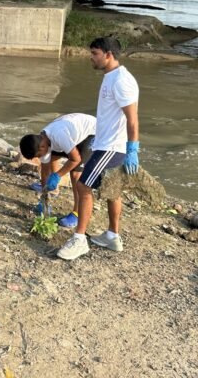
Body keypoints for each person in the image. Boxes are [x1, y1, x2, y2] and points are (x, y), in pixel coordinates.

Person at [57, 37, 139, 261]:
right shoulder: (110, 77)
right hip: (105, 143)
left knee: (83, 187)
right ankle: (112, 236)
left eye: (94, 54)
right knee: (113, 190)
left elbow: (132, 119)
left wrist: (133, 149)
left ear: (108, 55)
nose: (91, 58)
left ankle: (79, 239)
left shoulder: (121, 80)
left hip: (112, 147)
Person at [19, 113, 96, 228]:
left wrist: (57, 175)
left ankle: (77, 213)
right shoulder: (42, 141)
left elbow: (75, 159)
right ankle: (54, 190)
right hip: (71, 132)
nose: (38, 158)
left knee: (75, 174)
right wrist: (45, 197)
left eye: (38, 155)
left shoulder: (59, 136)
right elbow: (45, 170)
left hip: (90, 133)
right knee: (52, 158)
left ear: (43, 147)